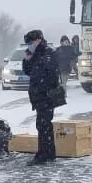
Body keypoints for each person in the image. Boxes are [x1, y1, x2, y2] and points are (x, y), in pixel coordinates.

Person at [23, 29, 65, 165]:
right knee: (43, 125)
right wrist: (26, 59)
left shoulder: (48, 53)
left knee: (43, 124)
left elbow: (50, 74)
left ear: (38, 40)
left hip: (46, 95)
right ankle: (49, 153)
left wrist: (42, 89)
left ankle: (43, 154)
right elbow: (28, 71)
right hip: (38, 95)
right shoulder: (35, 54)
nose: (29, 45)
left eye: (30, 42)